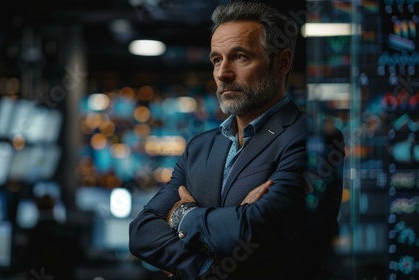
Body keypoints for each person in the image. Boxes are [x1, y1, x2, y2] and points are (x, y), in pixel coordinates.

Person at [129, 1, 345, 280]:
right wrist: (204, 267)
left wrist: (183, 214)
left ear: (282, 62)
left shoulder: (314, 138)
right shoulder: (200, 148)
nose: (223, 73)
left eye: (240, 56)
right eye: (216, 59)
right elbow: (141, 232)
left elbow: (256, 231)